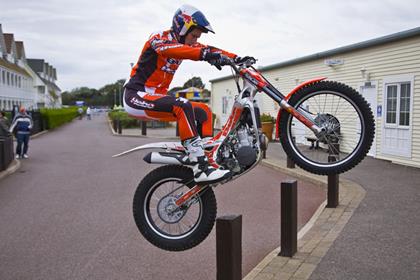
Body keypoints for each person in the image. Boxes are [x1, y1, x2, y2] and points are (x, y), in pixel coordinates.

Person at [123, 5, 253, 184]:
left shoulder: (188, 44)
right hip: (136, 96)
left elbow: (209, 49)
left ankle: (208, 159)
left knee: (203, 111)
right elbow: (174, 50)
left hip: (156, 98)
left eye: (197, 38)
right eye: (193, 36)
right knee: (182, 105)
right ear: (182, 27)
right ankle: (200, 167)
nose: (195, 41)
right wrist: (203, 54)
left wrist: (236, 58)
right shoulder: (159, 38)